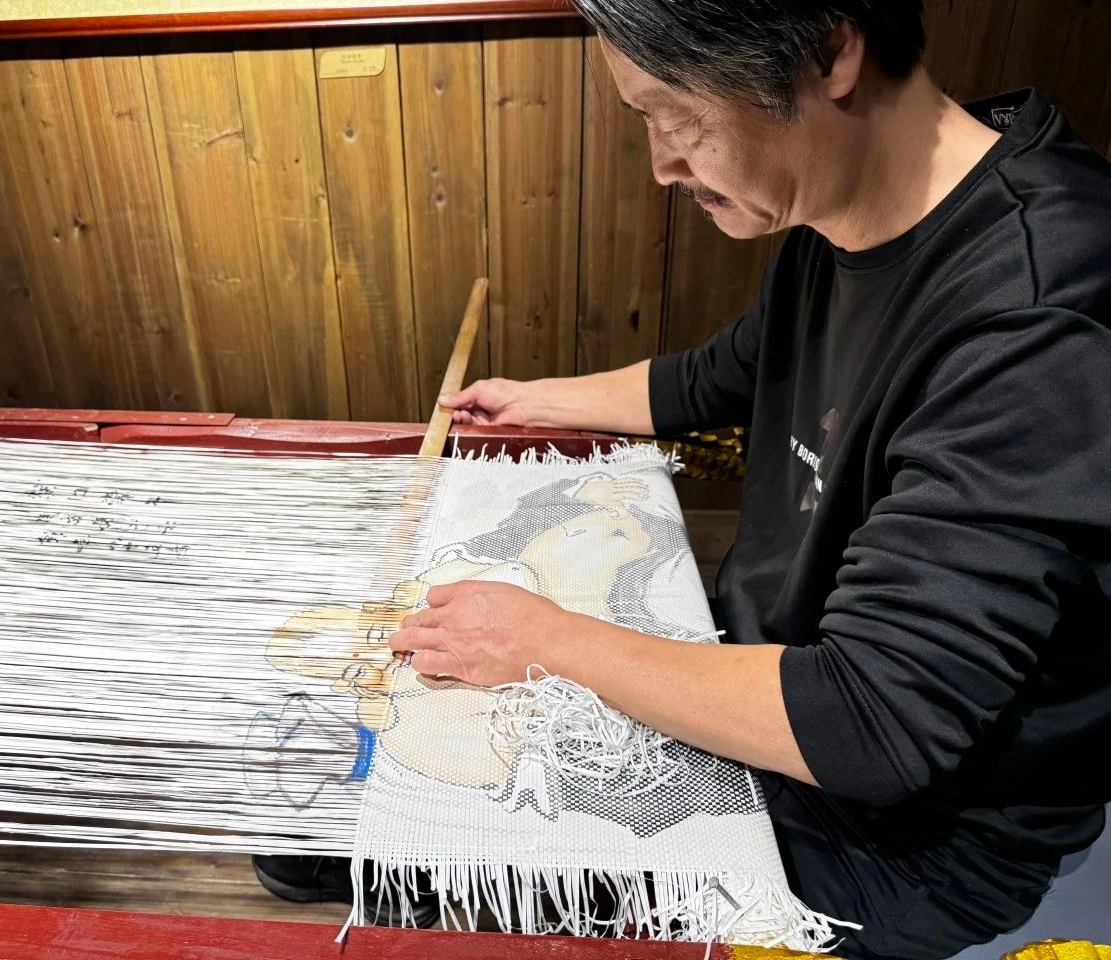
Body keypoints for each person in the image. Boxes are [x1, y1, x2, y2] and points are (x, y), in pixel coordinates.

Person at [384, 2, 1111, 958]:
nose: (662, 165)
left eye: (676, 114)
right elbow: (721, 375)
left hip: (909, 838)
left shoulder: (1038, 316)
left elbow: (873, 719)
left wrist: (542, 639)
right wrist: (526, 401)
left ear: (829, 50)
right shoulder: (844, 208)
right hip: (781, 683)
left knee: (439, 863)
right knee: (388, 816)